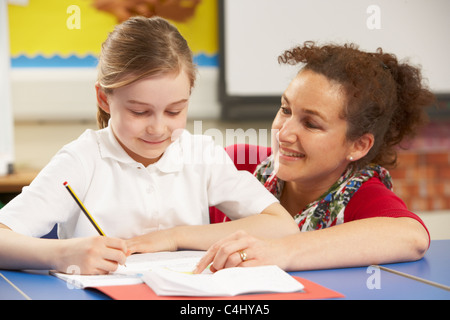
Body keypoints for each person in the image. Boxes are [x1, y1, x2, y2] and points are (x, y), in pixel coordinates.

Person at [0, 17, 297, 274]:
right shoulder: (82, 160)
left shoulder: (201, 155)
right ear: (104, 99)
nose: (158, 128)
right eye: (139, 112)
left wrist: (176, 237)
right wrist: (62, 254)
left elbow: (282, 227)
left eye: (174, 111)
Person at [195, 42, 435, 273]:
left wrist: (279, 251)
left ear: (358, 145)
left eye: (311, 124)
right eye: (285, 110)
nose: (284, 133)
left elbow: (412, 236)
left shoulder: (364, 196)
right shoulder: (239, 162)